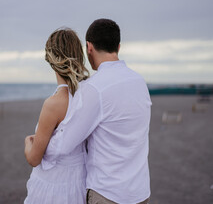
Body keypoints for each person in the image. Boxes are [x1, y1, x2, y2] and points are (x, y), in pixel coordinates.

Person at [45, 18, 152, 204]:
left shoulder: (94, 89)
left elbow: (64, 144)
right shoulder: (139, 82)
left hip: (108, 194)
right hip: (140, 193)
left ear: (89, 47)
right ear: (118, 47)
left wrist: (36, 145)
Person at [24, 28, 89, 204]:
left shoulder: (53, 104)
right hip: (80, 184)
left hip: (53, 187)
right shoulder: (89, 96)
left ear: (51, 60)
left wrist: (28, 143)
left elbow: (34, 158)